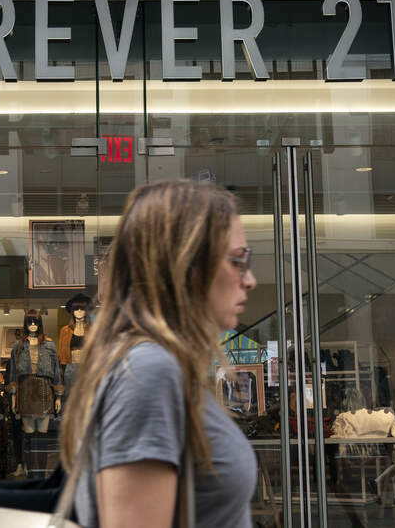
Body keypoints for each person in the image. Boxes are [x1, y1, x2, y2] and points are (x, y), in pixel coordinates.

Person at [60, 179, 258, 528]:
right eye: (238, 261)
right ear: (186, 267)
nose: (250, 279)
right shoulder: (148, 371)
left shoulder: (155, 365)